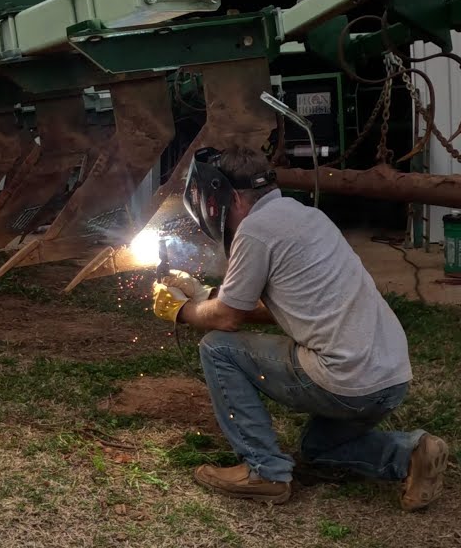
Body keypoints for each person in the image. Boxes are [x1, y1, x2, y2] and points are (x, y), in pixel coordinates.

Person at [153, 145, 448, 509]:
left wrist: (182, 311)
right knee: (317, 448)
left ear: (223, 198)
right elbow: (278, 304)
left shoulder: (255, 231)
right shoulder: (307, 216)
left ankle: (264, 472)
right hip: (391, 378)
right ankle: (412, 454)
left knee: (217, 348)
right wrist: (204, 294)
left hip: (346, 382)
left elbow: (228, 318)